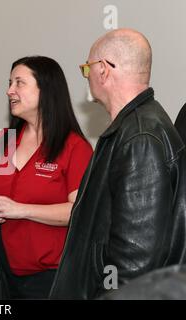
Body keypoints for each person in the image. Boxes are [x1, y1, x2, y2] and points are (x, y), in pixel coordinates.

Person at [49, 28, 186, 299]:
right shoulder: (134, 128)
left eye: (86, 69)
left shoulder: (140, 137)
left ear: (103, 70)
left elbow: (134, 260)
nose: (87, 78)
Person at [0, 56, 93, 299]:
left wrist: (21, 209)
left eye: (19, 83)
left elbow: (78, 212)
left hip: (51, 277)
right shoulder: (5, 140)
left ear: (46, 90)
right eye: (10, 83)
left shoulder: (74, 147)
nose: (10, 91)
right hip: (0, 272)